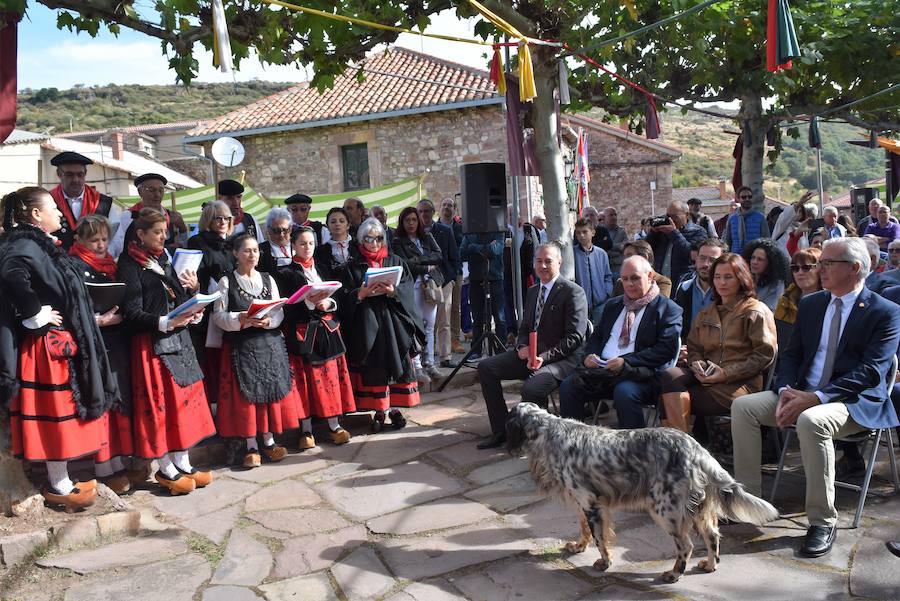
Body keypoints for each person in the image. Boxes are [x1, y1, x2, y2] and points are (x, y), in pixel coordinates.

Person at [732, 237, 900, 558]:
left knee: (811, 420)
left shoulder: (886, 312)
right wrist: (784, 391)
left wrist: (817, 398)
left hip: (853, 402)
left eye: (827, 263)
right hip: (802, 394)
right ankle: (747, 502)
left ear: (853, 268)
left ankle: (823, 521)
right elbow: (791, 356)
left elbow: (871, 372)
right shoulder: (811, 304)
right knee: (744, 407)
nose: (819, 269)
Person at [0, 187, 120, 511]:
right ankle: (59, 484)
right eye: (52, 206)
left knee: (63, 412)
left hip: (57, 342)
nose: (58, 211)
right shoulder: (22, 243)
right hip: (46, 347)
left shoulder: (39, 244)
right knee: (57, 415)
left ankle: (61, 480)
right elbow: (11, 275)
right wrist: (33, 312)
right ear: (36, 214)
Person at [117, 208, 215, 496]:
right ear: (141, 234)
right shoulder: (129, 264)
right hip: (153, 346)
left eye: (165, 232)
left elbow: (177, 296)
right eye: (157, 232)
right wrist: (165, 321)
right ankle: (165, 467)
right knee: (161, 407)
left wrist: (193, 306)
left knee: (183, 404)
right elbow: (131, 311)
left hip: (179, 340)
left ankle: (183, 462)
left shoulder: (162, 258)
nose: (164, 237)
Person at [475, 243, 588, 449]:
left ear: (559, 263)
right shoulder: (533, 291)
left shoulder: (573, 292)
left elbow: (575, 338)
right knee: (486, 367)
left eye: (548, 261)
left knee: (532, 388)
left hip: (561, 359)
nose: (543, 266)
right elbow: (525, 327)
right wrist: (521, 347)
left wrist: (544, 357)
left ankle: (541, 439)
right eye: (539, 261)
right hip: (532, 355)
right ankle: (502, 431)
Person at [558, 255, 682, 427]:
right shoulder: (614, 305)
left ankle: (635, 449)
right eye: (625, 279)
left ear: (650, 276)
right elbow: (597, 337)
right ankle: (573, 448)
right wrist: (590, 355)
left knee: (624, 392)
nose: (629, 284)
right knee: (568, 387)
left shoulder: (668, 309)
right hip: (603, 373)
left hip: (640, 375)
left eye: (635, 278)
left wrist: (626, 361)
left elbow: (665, 350)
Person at [211, 234, 302, 467]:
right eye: (247, 251)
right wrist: (241, 319)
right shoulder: (226, 282)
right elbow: (218, 316)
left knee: (268, 392)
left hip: (268, 344)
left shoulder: (268, 279)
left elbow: (278, 311)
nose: (253, 255)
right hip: (241, 346)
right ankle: (251, 446)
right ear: (235, 253)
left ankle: (270, 441)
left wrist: (267, 321)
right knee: (247, 398)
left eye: (256, 251)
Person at [659, 253, 777, 433]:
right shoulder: (706, 313)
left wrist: (725, 374)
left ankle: (681, 449)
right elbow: (694, 347)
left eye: (728, 277)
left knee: (665, 400)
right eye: (717, 277)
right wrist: (696, 363)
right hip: (706, 377)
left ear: (741, 279)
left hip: (738, 385)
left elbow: (764, 356)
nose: (722, 282)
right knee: (670, 376)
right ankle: (683, 447)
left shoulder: (756, 311)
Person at [70, 215, 135, 494]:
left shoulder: (111, 264)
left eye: (104, 239)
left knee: (119, 398)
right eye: (93, 240)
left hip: (116, 341)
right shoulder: (73, 266)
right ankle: (103, 465)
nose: (100, 245)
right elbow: (71, 309)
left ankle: (120, 458)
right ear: (80, 240)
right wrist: (97, 321)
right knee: (101, 399)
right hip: (93, 343)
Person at [341, 218, 424, 432]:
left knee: (397, 364)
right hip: (368, 325)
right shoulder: (352, 265)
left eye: (379, 238)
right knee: (375, 366)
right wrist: (360, 293)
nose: (375, 243)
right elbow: (344, 296)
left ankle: (395, 409)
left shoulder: (395, 260)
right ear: (361, 240)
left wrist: (393, 292)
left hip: (393, 323)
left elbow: (406, 289)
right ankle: (379, 410)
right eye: (369, 239)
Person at [277, 226, 355, 447]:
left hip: (328, 329)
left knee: (330, 378)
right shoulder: (285, 274)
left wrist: (328, 302)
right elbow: (286, 309)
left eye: (310, 243)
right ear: (293, 245)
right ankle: (306, 430)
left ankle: (334, 425)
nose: (307, 247)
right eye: (302, 243)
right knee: (305, 382)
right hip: (303, 332)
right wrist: (310, 302)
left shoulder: (321, 267)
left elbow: (336, 296)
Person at [187, 201, 236, 403]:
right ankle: (215, 404)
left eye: (227, 218)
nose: (223, 222)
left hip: (231, 305)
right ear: (208, 220)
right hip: (207, 307)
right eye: (218, 217)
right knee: (212, 359)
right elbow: (195, 275)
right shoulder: (197, 242)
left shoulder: (233, 243)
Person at [392, 206, 444, 382]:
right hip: (412, 285)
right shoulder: (398, 241)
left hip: (430, 285)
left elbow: (439, 255)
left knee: (430, 325)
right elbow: (404, 263)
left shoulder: (427, 237)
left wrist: (421, 263)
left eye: (414, 220)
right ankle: (417, 365)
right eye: (407, 220)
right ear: (402, 222)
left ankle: (430, 362)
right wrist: (426, 265)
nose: (411, 223)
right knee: (415, 326)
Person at [417, 199, 460, 369]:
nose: (424, 214)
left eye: (427, 211)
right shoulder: (413, 234)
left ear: (433, 212)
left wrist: (448, 279)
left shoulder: (444, 231)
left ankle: (445, 356)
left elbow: (454, 257)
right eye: (420, 211)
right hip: (422, 282)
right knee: (424, 321)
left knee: (444, 320)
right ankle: (423, 357)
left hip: (443, 281)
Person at [47, 151, 120, 250]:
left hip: (96, 263)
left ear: (85, 174)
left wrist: (98, 259)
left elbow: (116, 238)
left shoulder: (104, 203)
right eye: (69, 175)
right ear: (59, 174)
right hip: (58, 263)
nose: (75, 180)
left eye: (80, 174)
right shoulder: (48, 202)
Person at [109, 173, 187, 258]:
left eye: (161, 190)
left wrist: (183, 229)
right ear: (140, 192)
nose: (157, 194)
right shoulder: (129, 216)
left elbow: (184, 247)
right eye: (151, 190)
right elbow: (119, 246)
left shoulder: (170, 216)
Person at [460, 231, 507, 359]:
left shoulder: (498, 232)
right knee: (477, 318)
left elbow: (495, 250)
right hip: (476, 279)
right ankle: (476, 350)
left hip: (495, 278)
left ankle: (501, 349)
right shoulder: (470, 233)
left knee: (499, 317)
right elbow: (462, 253)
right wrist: (484, 248)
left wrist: (473, 247)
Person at [645, 200, 708, 285]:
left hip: (683, 282)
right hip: (660, 282)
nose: (670, 220)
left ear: (687, 215)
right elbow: (645, 249)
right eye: (667, 216)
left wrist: (674, 233)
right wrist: (653, 233)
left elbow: (691, 254)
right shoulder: (662, 232)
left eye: (674, 216)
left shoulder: (698, 232)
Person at [673, 238, 727, 332]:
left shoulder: (727, 291)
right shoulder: (684, 288)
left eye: (712, 260)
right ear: (696, 259)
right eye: (702, 258)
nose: (706, 264)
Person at [573, 217, 613, 324]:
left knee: (600, 333)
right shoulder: (572, 254)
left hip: (600, 303)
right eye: (578, 233)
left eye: (585, 232)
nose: (581, 235)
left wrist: (606, 292)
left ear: (593, 233)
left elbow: (607, 276)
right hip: (580, 305)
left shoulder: (601, 254)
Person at [439, 196, 465, 354]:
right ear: (440, 208)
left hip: (456, 271)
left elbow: (462, 248)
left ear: (454, 209)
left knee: (455, 307)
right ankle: (439, 341)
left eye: (450, 205)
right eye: (444, 204)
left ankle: (454, 338)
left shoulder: (460, 228)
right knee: (439, 307)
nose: (447, 207)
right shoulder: (434, 228)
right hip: (439, 273)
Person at [742, 238, 790, 311]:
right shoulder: (746, 281)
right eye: (753, 258)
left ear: (770, 263)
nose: (754, 262)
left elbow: (771, 309)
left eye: (760, 259)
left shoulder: (776, 285)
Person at [722, 187, 770, 254]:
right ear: (738, 199)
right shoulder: (732, 219)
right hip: (736, 258)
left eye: (750, 197)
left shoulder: (760, 218)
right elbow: (727, 241)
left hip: (754, 258)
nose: (747, 199)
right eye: (744, 197)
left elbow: (766, 241)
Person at [315, 207, 357, 282]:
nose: (337, 224)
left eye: (342, 221)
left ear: (348, 225)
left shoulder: (358, 245)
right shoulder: (320, 251)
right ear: (327, 226)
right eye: (333, 222)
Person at [258, 207, 294, 273]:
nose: (281, 234)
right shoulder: (260, 251)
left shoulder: (298, 247)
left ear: (290, 229)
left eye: (285, 230)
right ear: (269, 230)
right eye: (276, 230)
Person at [603, 207, 629, 276]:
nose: (614, 217)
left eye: (615, 215)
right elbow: (601, 249)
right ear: (604, 218)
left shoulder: (622, 231)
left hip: (619, 268)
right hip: (605, 267)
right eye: (611, 215)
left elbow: (625, 247)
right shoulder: (601, 232)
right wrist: (617, 249)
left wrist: (609, 246)